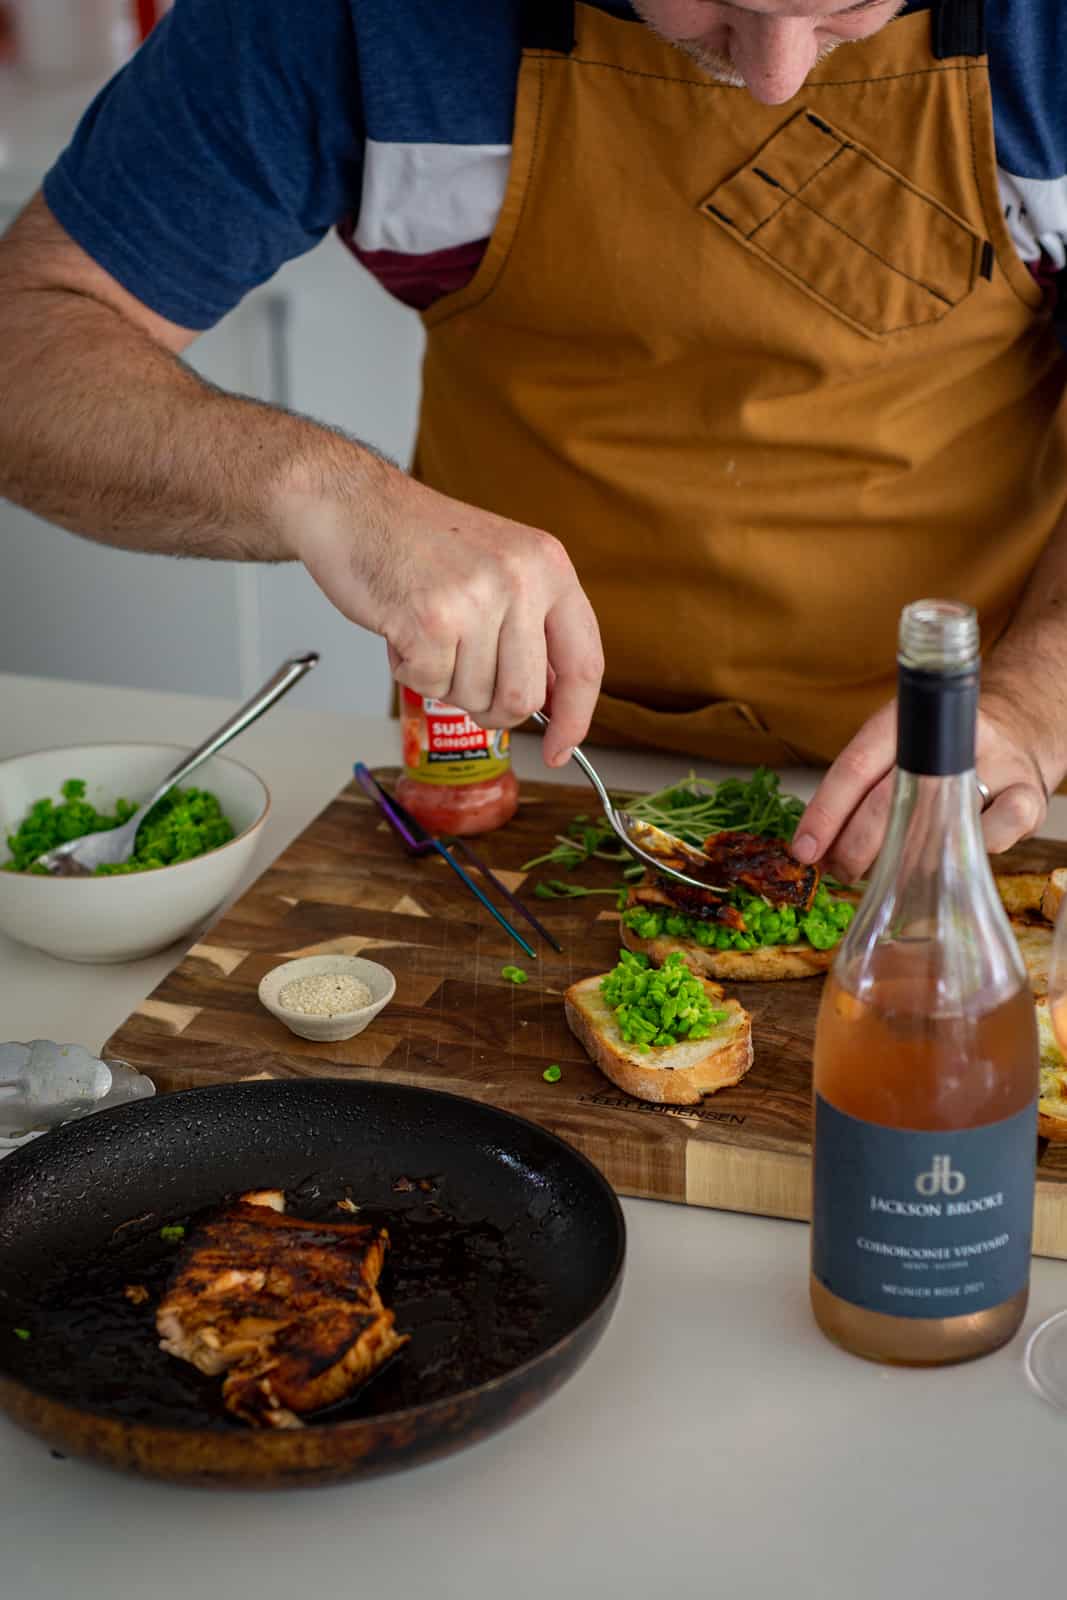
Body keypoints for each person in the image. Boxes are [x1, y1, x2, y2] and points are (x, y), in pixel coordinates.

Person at [0, 0, 1063, 883]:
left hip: (977, 775)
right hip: (501, 764)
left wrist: (1025, 704)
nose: (773, 77)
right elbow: (25, 353)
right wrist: (322, 490)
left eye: (846, 7)